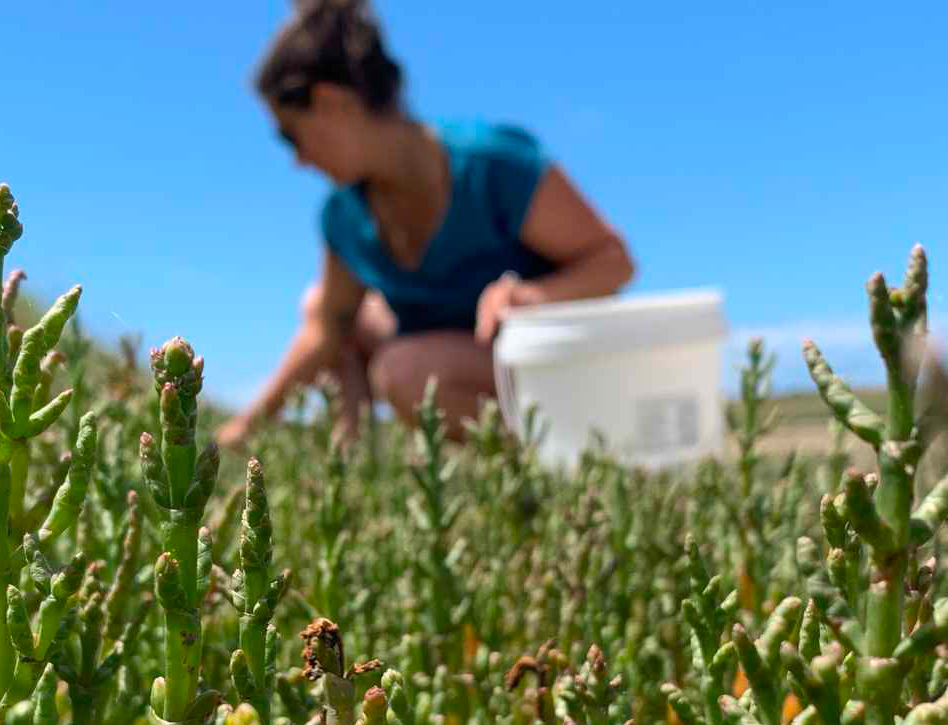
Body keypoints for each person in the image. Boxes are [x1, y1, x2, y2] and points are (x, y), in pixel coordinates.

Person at [215, 0, 635, 448]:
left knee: (405, 371)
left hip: (545, 365)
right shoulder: (343, 216)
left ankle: (552, 468)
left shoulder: (491, 165)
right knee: (324, 306)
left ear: (330, 103)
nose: (298, 160)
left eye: (290, 136)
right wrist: (242, 430)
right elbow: (327, 330)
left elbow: (614, 263)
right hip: (449, 354)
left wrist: (531, 295)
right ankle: (349, 474)